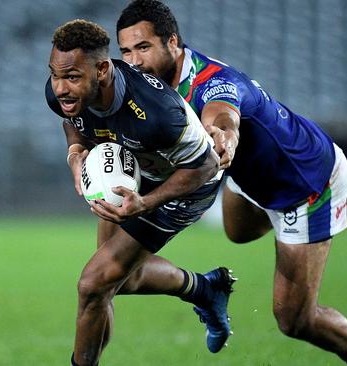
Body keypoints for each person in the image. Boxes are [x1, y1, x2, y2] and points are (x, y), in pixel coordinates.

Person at [115, 1, 347, 365]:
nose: (133, 61)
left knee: (295, 320)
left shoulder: (213, 83)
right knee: (238, 232)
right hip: (253, 177)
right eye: (125, 51)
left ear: (173, 43)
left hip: (305, 184)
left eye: (143, 47)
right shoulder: (151, 83)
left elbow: (224, 117)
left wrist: (223, 137)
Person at [45, 19, 237, 366]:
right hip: (139, 170)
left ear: (102, 69)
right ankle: (204, 289)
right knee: (118, 282)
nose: (60, 88)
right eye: (55, 75)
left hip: (187, 185)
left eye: (71, 77)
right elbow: (71, 123)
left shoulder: (158, 112)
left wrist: (145, 203)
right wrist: (75, 156)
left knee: (92, 285)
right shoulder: (65, 91)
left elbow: (207, 166)